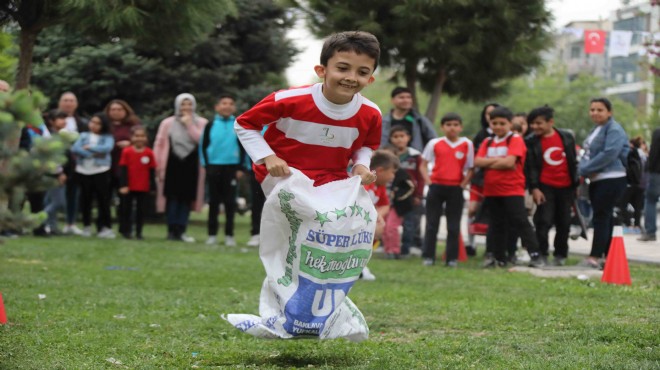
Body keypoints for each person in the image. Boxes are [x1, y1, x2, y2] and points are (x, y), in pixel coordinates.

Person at [235, 31, 382, 275]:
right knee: (311, 227)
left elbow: (366, 145)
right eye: (343, 68)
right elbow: (244, 123)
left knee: (341, 223)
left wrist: (361, 165)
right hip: (285, 174)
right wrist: (268, 157)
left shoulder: (371, 113)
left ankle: (338, 269)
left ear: (370, 79)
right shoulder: (290, 99)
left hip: (330, 177)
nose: (351, 78)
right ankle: (292, 283)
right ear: (322, 70)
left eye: (362, 72)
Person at [474, 106, 544, 268]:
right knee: (496, 223)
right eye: (494, 123)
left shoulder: (515, 139)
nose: (498, 126)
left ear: (510, 123)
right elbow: (478, 161)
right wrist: (500, 161)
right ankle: (499, 257)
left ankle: (535, 254)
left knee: (520, 221)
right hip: (492, 189)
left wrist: (491, 162)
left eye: (502, 123)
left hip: (511, 188)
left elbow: (510, 162)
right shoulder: (487, 141)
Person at [578, 98, 629, 268]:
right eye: (592, 109)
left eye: (600, 110)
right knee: (602, 217)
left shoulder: (614, 129)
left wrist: (583, 169)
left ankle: (595, 257)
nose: (595, 113)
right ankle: (607, 256)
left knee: (602, 218)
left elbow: (610, 153)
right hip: (598, 179)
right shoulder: (597, 129)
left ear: (609, 112)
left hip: (612, 178)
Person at [525, 105, 578, 266]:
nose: (535, 127)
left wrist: (575, 185)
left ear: (550, 122)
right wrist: (534, 188)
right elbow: (531, 167)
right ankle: (541, 254)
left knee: (564, 222)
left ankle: (561, 254)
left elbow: (573, 162)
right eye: (532, 123)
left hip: (566, 186)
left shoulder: (567, 137)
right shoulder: (531, 142)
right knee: (543, 221)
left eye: (538, 123)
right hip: (544, 187)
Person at [420, 113, 474, 267]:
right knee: (432, 223)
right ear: (442, 127)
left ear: (461, 127)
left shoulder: (467, 144)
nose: (452, 128)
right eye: (448, 124)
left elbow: (471, 167)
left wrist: (463, 184)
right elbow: (423, 164)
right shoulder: (434, 143)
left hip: (456, 188)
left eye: (456, 125)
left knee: (454, 225)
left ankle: (451, 258)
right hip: (436, 187)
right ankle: (429, 256)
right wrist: (429, 182)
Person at [154, 94, 207, 242]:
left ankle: (181, 230)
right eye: (183, 104)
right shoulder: (167, 123)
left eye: (189, 104)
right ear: (177, 105)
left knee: (186, 199)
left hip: (191, 165)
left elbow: (201, 140)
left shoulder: (202, 122)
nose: (186, 108)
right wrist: (157, 164)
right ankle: (171, 230)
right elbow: (159, 143)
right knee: (172, 198)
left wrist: (189, 124)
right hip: (171, 164)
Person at [199, 94, 245, 246]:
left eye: (230, 103)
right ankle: (212, 234)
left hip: (232, 168)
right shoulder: (210, 125)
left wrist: (241, 168)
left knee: (230, 203)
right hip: (213, 166)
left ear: (234, 107)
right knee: (213, 202)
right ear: (217, 107)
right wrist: (206, 165)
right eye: (223, 103)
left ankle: (229, 235)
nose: (227, 106)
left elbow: (245, 146)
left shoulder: (239, 124)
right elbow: (203, 146)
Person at [71, 113, 115, 238]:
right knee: (85, 200)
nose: (94, 125)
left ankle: (105, 227)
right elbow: (75, 148)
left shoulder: (107, 137)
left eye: (98, 123)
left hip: (101, 170)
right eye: (93, 122)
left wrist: (90, 147)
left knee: (103, 200)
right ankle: (86, 226)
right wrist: (90, 154)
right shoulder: (83, 135)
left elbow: (106, 148)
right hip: (83, 170)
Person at [104, 99, 141, 236]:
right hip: (106, 167)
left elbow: (141, 140)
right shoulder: (104, 125)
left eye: (119, 109)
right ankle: (105, 226)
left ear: (125, 111)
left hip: (124, 168)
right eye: (113, 109)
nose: (116, 112)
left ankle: (125, 228)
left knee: (125, 200)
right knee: (105, 198)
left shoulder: (133, 125)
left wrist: (130, 143)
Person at [467, 103, 500, 256]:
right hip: (479, 179)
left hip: (496, 180)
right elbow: (476, 160)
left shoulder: (507, 136)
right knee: (472, 210)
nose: (491, 117)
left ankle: (492, 247)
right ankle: (470, 244)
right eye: (488, 114)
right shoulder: (481, 135)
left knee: (494, 213)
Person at [387, 125, 424, 256]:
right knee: (390, 223)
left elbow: (421, 176)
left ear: (408, 138)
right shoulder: (388, 156)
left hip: (409, 196)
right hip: (393, 195)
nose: (399, 140)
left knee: (409, 223)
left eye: (402, 136)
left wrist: (418, 195)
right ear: (391, 139)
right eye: (395, 137)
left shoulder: (415, 156)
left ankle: (406, 249)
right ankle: (390, 247)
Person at [362, 150, 398, 277]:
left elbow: (385, 204)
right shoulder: (365, 183)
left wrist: (378, 215)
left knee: (379, 227)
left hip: (364, 220)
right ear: (381, 170)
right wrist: (373, 217)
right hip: (352, 222)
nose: (393, 177)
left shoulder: (380, 186)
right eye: (392, 172)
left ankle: (361, 263)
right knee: (376, 228)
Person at [117, 126, 156, 240]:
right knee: (126, 209)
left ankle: (139, 232)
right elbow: (123, 169)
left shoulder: (149, 153)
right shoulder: (127, 151)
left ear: (146, 138)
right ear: (132, 137)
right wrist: (123, 185)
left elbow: (151, 171)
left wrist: (153, 187)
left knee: (141, 210)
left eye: (142, 136)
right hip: (129, 186)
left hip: (143, 186)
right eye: (137, 136)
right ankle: (126, 231)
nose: (139, 138)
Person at [58, 92, 88, 235]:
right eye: (65, 100)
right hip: (56, 161)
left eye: (71, 100)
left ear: (76, 104)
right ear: (59, 103)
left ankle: (71, 223)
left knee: (73, 194)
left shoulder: (82, 122)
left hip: (76, 163)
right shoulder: (50, 119)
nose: (68, 103)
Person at [41, 110, 71, 235]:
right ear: (51, 121)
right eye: (60, 118)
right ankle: (37, 221)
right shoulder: (50, 136)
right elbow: (53, 158)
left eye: (64, 118)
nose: (63, 121)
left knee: (49, 201)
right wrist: (60, 173)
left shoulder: (61, 135)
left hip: (57, 172)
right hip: (53, 173)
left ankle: (52, 227)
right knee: (59, 202)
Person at [380, 87, 437, 152]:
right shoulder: (384, 121)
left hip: (414, 159)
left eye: (408, 97)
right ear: (392, 100)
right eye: (401, 97)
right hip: (389, 158)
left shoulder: (419, 120)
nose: (406, 100)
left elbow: (434, 140)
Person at [639, 127, 659, 242]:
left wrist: (649, 168)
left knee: (651, 200)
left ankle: (650, 231)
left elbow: (654, 153)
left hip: (657, 172)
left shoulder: (658, 132)